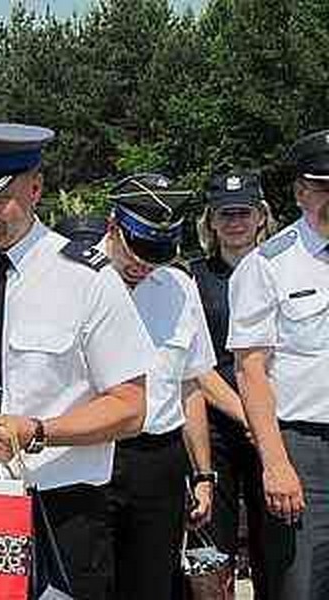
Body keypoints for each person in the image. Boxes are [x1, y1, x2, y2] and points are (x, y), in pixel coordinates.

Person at [0, 123, 154, 599]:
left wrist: (37, 432)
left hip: (58, 510)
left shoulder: (88, 280)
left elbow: (130, 406)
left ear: (35, 188)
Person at [101, 173, 217, 599]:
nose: (144, 265)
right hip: (93, 454)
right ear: (113, 227)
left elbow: (190, 387)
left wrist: (203, 474)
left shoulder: (180, 288)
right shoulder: (76, 279)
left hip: (160, 460)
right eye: (137, 252)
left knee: (153, 586)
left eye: (156, 256)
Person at [228, 130, 329, 599]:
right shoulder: (267, 265)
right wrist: (275, 463)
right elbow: (250, 371)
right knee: (299, 584)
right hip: (304, 449)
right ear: (300, 192)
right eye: (324, 186)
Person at [191, 171, 277, 595]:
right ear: (211, 221)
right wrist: (245, 413)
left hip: (277, 428)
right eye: (225, 214)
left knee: (273, 543)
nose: (235, 222)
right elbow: (192, 364)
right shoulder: (191, 278)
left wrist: (262, 419)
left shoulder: (284, 270)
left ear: (261, 216)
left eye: (244, 212)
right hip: (216, 429)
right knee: (212, 547)